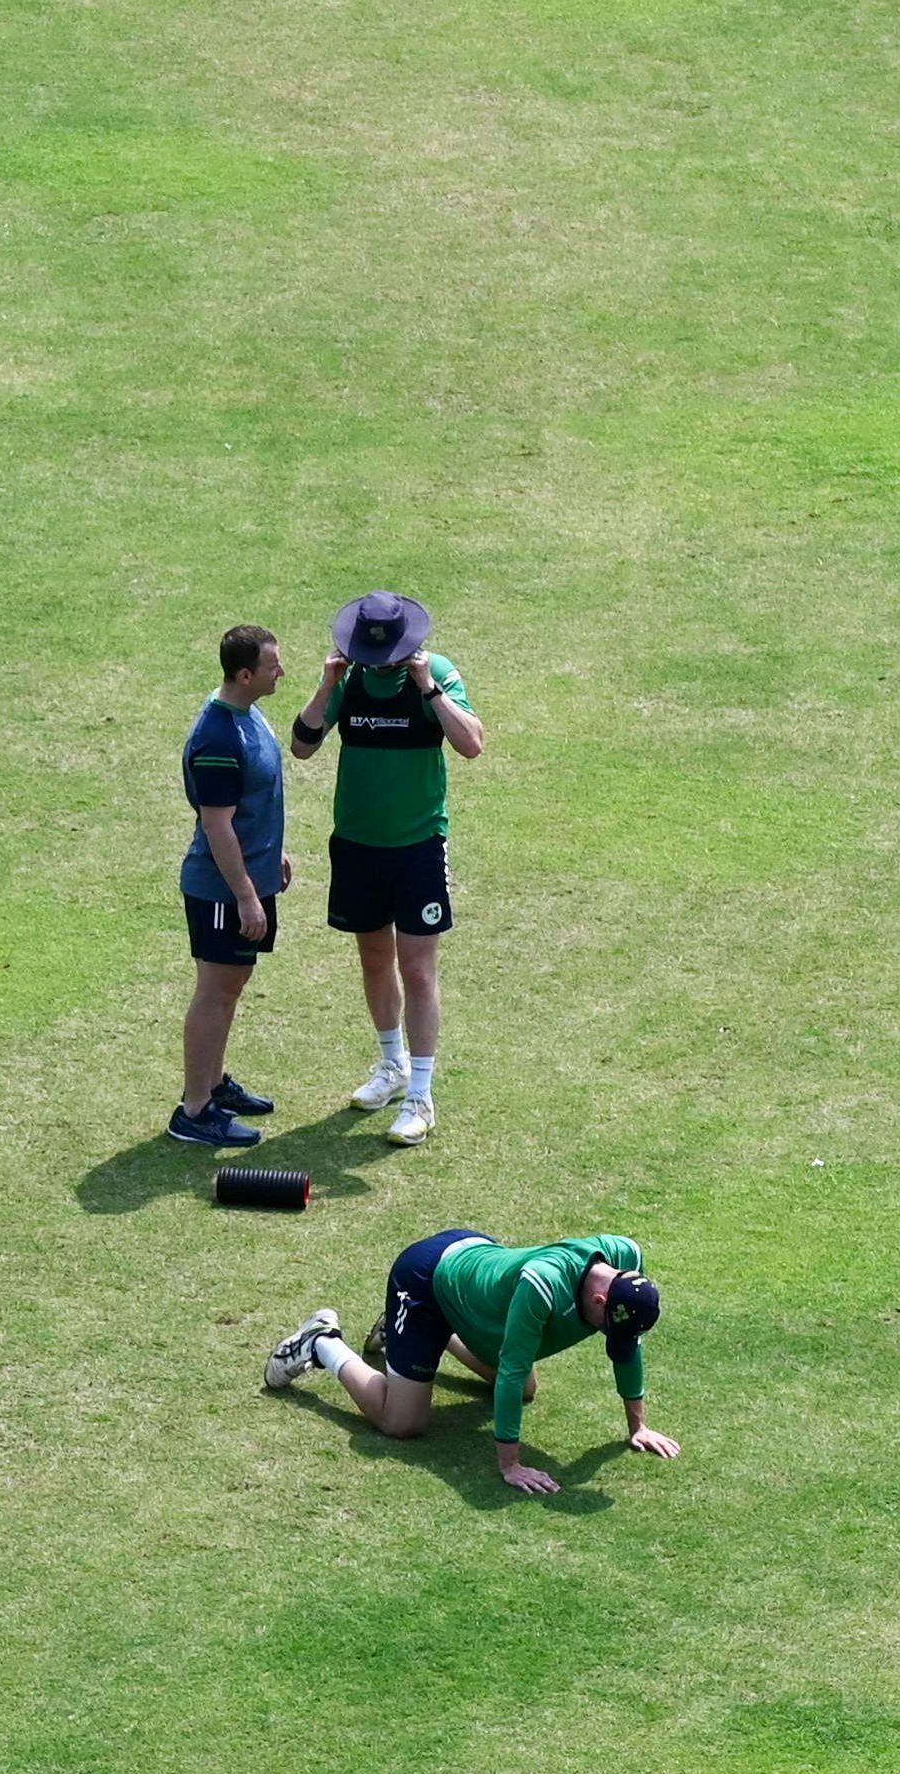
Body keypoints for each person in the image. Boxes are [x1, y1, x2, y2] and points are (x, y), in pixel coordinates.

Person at [263, 1228, 675, 1495]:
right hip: (425, 1281)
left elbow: (626, 1346)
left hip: (476, 1288)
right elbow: (511, 1373)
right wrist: (509, 1465)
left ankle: (411, 1338)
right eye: (607, 1325)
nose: (609, 1335)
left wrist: (638, 1427)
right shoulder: (543, 1286)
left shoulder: (628, 1259)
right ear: (600, 1299)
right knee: (402, 1422)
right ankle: (320, 1342)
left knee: (527, 1391)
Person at [289, 590, 482, 1144]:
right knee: (375, 959)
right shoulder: (348, 682)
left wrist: (430, 689)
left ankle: (421, 1093)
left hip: (418, 844)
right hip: (357, 844)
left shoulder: (436, 674)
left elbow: (471, 744)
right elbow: (303, 746)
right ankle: (391, 1064)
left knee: (417, 968)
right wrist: (326, 685)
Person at [170, 624, 288, 1148]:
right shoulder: (217, 737)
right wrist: (244, 892)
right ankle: (195, 1111)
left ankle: (214, 1085)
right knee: (215, 994)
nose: (280, 671)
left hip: (248, 879)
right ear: (245, 675)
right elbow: (217, 824)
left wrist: (271, 853)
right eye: (272, 666)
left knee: (230, 987)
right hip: (221, 892)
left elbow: (251, 802)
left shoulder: (245, 713)